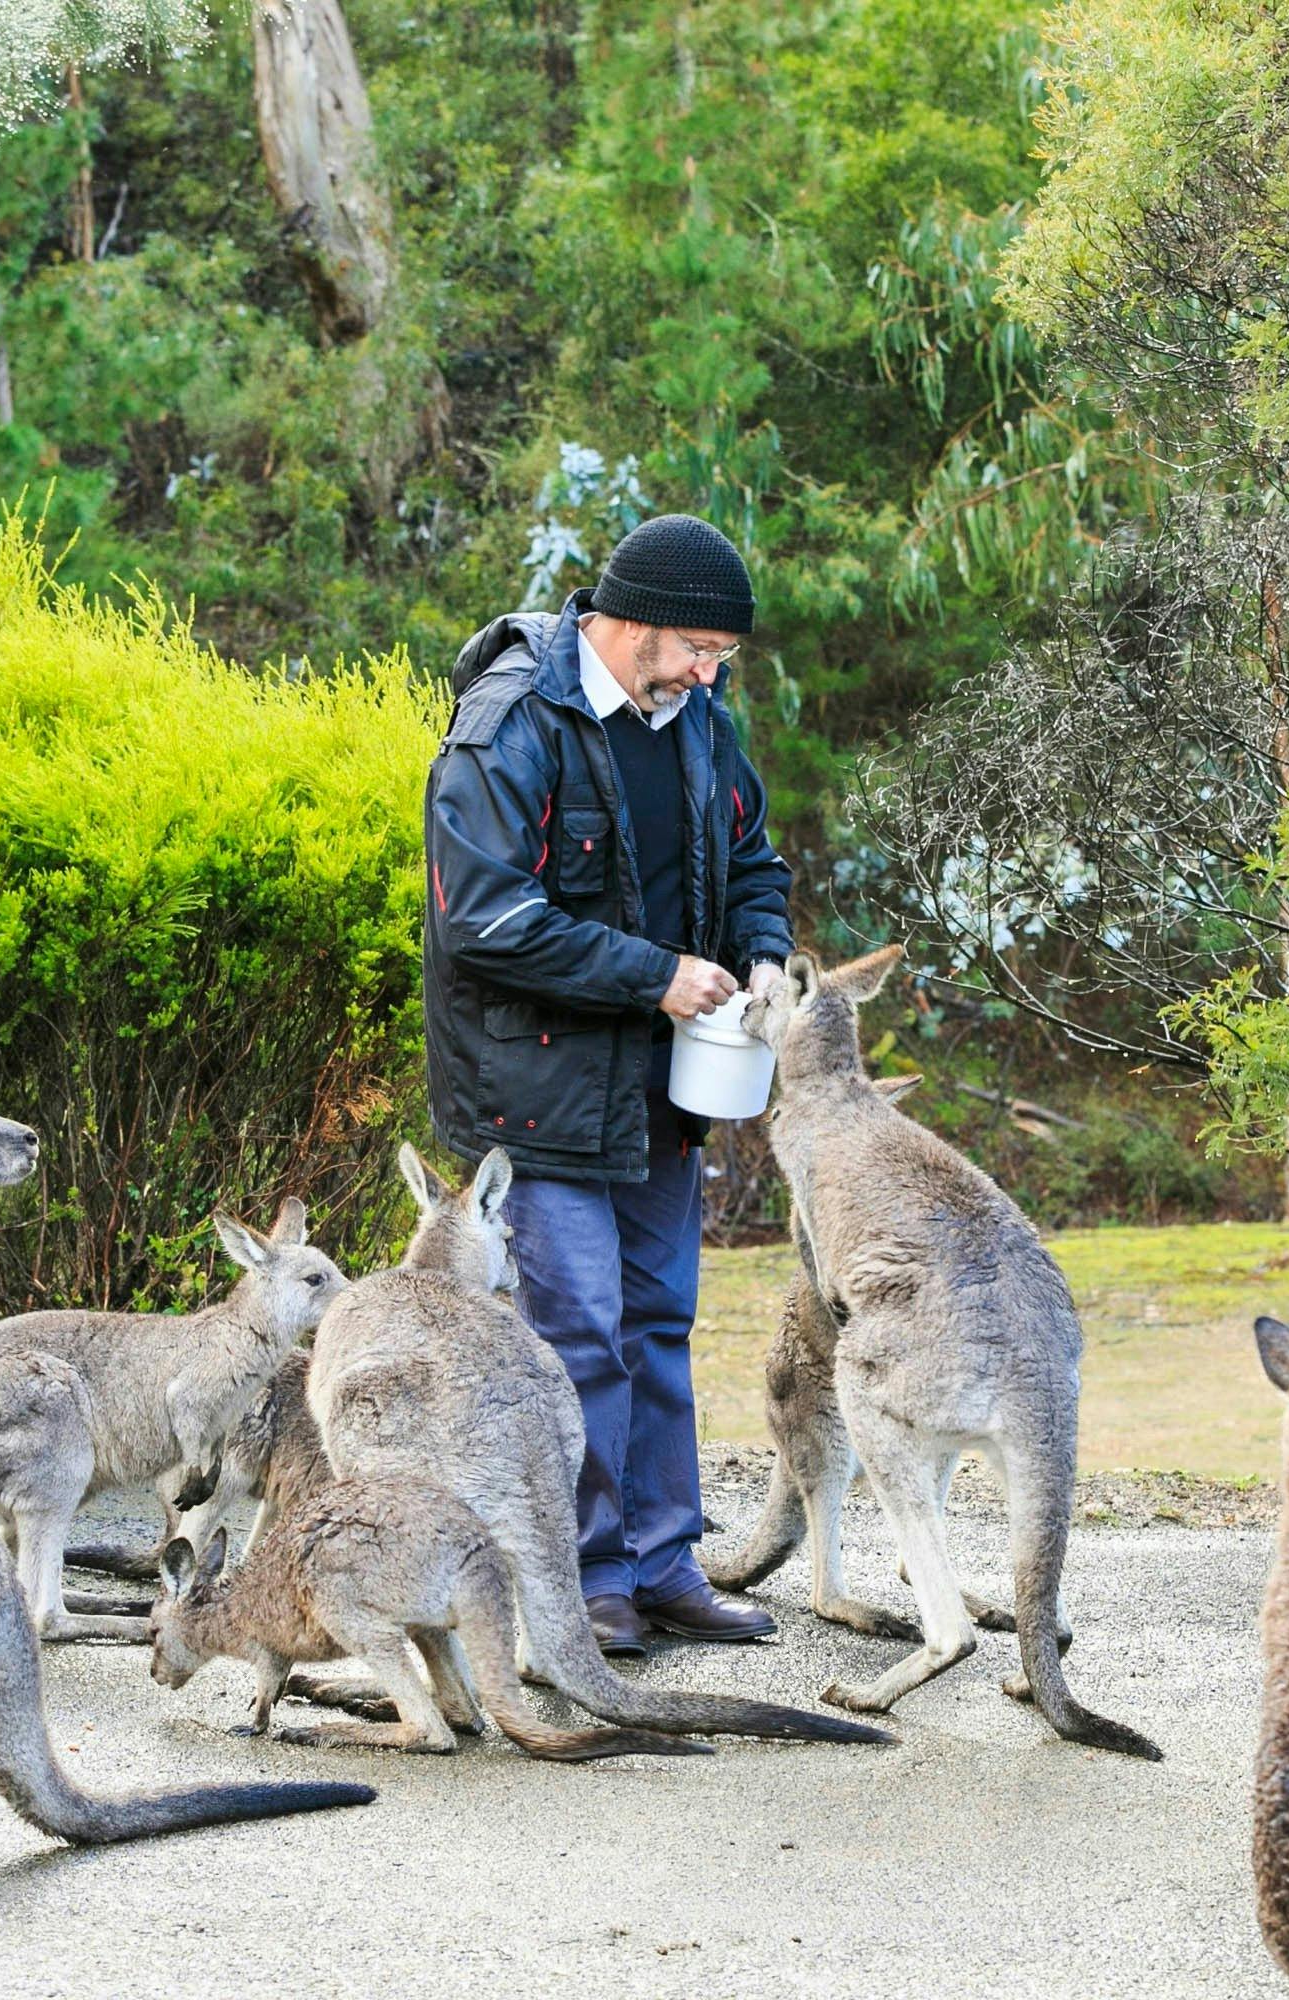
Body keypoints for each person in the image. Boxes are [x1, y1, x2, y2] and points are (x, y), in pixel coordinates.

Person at [420, 515, 792, 1652]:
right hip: (535, 1091)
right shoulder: (508, 725)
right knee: (575, 1336)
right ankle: (583, 1581)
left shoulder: (700, 722)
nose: (705, 673)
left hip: (663, 1090)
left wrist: (763, 951)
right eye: (691, 649)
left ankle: (663, 1560)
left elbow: (755, 860)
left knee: (658, 1321)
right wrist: (658, 976)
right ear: (624, 621)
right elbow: (486, 923)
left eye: (720, 658)